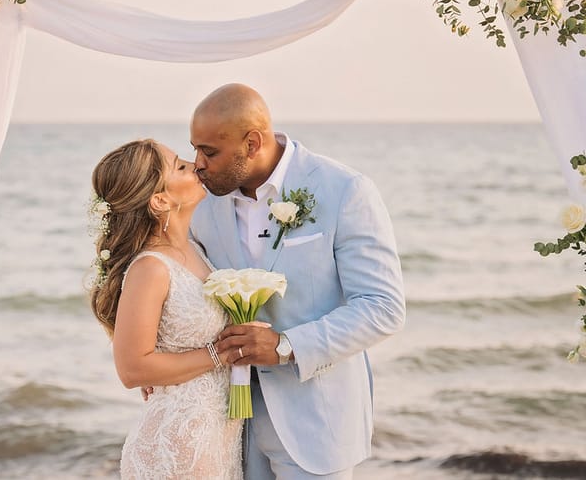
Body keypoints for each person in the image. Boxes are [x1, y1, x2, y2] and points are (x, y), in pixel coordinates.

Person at [189, 84, 406, 479]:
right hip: (228, 428)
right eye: (195, 149)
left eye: (209, 151)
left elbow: (382, 307)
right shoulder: (202, 205)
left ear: (252, 142)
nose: (198, 164)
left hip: (317, 423)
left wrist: (287, 346)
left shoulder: (345, 190)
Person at [89, 139, 243, 479]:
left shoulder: (196, 250)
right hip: (177, 446)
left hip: (217, 437)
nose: (195, 165)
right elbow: (132, 369)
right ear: (160, 200)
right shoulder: (151, 268)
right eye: (181, 166)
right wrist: (222, 354)